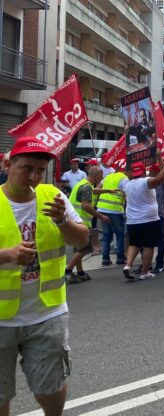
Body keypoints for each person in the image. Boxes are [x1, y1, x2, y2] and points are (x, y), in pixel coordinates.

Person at [0, 136, 90, 416]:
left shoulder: (54, 196)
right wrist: (7, 255)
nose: (34, 176)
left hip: (46, 313)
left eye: (40, 170)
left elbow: (82, 240)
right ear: (7, 164)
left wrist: (62, 220)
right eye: (27, 168)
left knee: (49, 389)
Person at [120, 159, 164, 281]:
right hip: (149, 219)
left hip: (133, 220)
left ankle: (128, 265)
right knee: (149, 245)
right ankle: (144, 272)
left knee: (134, 243)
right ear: (144, 171)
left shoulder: (127, 184)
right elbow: (158, 179)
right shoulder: (146, 181)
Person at [65, 167, 107, 284]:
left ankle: (80, 272)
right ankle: (67, 271)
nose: (102, 178)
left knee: (78, 248)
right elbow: (86, 206)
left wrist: (108, 191)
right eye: (101, 175)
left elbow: (93, 192)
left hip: (74, 220)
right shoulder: (87, 186)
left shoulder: (82, 184)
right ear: (96, 175)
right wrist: (101, 216)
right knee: (86, 247)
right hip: (81, 222)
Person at [94, 167, 128, 267]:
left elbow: (96, 190)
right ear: (125, 170)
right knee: (119, 234)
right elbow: (127, 194)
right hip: (115, 210)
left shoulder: (108, 177)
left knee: (106, 235)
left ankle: (105, 259)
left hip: (102, 209)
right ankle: (120, 258)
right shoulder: (124, 178)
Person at [149, 163, 164, 274]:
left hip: (159, 215)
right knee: (146, 242)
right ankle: (146, 264)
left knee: (160, 241)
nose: (150, 173)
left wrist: (159, 158)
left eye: (152, 171)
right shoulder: (149, 182)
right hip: (147, 216)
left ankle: (160, 264)